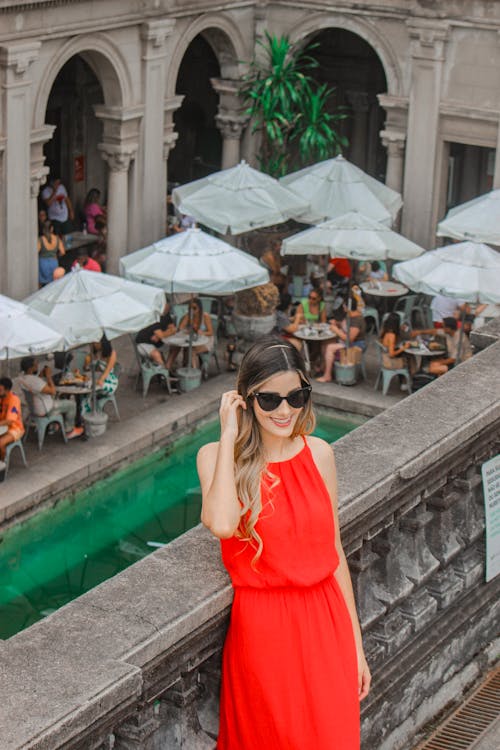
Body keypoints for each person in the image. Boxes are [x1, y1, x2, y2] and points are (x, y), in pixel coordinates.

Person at [197, 339, 370, 749]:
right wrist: (228, 431)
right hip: (264, 633)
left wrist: (356, 647)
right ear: (246, 399)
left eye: (296, 396)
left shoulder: (320, 453)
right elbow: (221, 522)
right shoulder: (216, 457)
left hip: (327, 624)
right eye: (269, 399)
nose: (284, 410)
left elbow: (334, 552)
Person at [18, 357, 83, 439]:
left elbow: (35, 385)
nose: (38, 365)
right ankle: (69, 431)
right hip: (45, 409)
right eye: (36, 364)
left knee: (61, 399)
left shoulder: (22, 379)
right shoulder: (35, 381)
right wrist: (49, 376)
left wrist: (40, 376)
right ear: (31, 367)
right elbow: (53, 391)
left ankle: (54, 425)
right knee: (71, 404)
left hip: (33, 409)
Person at [317, 296, 366, 382]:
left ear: (346, 307)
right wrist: (337, 324)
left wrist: (336, 330)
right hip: (347, 342)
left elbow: (349, 339)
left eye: (344, 306)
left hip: (355, 345)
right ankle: (323, 368)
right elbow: (346, 327)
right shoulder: (350, 315)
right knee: (326, 342)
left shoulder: (357, 320)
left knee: (330, 347)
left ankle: (327, 375)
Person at [165, 298, 214, 371]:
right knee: (177, 346)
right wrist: (188, 318)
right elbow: (181, 328)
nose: (192, 310)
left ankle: (194, 371)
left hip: (206, 340)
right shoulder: (189, 315)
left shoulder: (205, 316)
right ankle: (171, 368)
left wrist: (202, 332)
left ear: (199, 308)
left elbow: (211, 332)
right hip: (193, 340)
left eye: (194, 308)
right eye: (190, 308)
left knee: (191, 351)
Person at [82, 336, 118, 413]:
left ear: (103, 343)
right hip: (97, 377)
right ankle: (86, 413)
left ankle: (90, 413)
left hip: (109, 380)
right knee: (84, 391)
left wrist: (99, 380)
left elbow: (106, 372)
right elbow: (87, 370)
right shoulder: (96, 353)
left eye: (96, 342)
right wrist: (86, 363)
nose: (94, 344)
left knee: (88, 391)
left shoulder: (112, 354)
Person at [379, 312, 412, 391]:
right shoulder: (391, 336)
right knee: (409, 357)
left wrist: (403, 329)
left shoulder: (384, 331)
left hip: (384, 356)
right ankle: (405, 381)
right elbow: (391, 354)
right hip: (389, 360)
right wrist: (403, 348)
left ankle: (405, 380)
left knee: (405, 354)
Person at [0, 377, 25, 461]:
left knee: (0, 443)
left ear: (7, 390)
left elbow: (10, 420)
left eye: (0, 390)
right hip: (3, 426)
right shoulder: (1, 397)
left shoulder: (14, 399)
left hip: (15, 428)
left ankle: (2, 464)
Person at [38, 220, 65, 286]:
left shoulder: (41, 239)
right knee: (53, 283)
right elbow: (63, 252)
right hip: (54, 262)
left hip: (42, 262)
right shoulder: (57, 239)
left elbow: (36, 251)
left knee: (43, 284)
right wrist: (57, 256)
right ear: (52, 228)